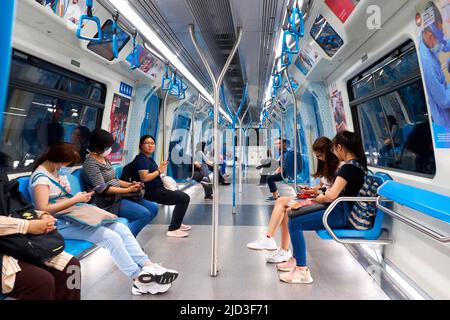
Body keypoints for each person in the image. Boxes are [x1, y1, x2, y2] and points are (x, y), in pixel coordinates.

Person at [29, 143, 179, 295]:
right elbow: (43, 209)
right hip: (59, 222)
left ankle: (147, 265)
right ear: (57, 159)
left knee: (121, 228)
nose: (65, 168)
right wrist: (75, 199)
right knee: (110, 237)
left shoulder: (56, 171)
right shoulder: (40, 179)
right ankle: (138, 280)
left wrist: (78, 199)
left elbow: (64, 198)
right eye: (66, 164)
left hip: (72, 214)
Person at [277, 131, 367, 284]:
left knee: (295, 222)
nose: (334, 152)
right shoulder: (357, 166)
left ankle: (301, 270)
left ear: (339, 147)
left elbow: (331, 195)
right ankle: (297, 261)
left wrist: (320, 197)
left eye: (334, 149)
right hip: (339, 209)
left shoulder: (347, 168)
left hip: (339, 213)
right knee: (293, 215)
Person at [247, 137, 340, 264]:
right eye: (317, 156)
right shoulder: (326, 167)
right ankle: (279, 247)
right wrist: (311, 190)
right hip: (318, 197)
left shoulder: (338, 169)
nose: (319, 159)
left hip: (323, 201)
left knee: (284, 205)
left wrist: (315, 194)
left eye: (321, 155)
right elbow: (322, 186)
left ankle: (271, 239)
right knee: (283, 205)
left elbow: (330, 192)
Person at [0, 156, 81, 300]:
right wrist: (27, 226)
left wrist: (41, 216)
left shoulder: (3, 178)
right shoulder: (41, 177)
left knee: (71, 266)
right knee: (41, 281)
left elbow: (16, 207)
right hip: (7, 248)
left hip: (15, 241)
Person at [81, 129, 158, 237]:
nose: (110, 149)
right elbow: (101, 188)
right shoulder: (90, 164)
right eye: (107, 146)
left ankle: (130, 238)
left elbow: (114, 179)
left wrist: (130, 185)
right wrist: (127, 190)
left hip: (117, 195)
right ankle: (125, 242)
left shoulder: (104, 159)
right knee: (143, 214)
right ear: (98, 146)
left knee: (153, 208)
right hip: (106, 200)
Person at [133, 135, 191, 238]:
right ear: (140, 145)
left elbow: (155, 173)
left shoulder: (149, 159)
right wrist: (160, 170)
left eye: (152, 143)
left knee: (181, 197)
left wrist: (161, 170)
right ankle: (173, 229)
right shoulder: (142, 160)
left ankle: (177, 223)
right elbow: (144, 178)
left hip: (158, 189)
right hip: (151, 192)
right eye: (147, 143)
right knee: (184, 198)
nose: (150, 145)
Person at [419, 1, 450, 128]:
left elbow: (443, 43)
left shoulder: (425, 40)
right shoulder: (428, 65)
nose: (440, 41)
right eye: (438, 36)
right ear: (430, 35)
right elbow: (444, 100)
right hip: (443, 121)